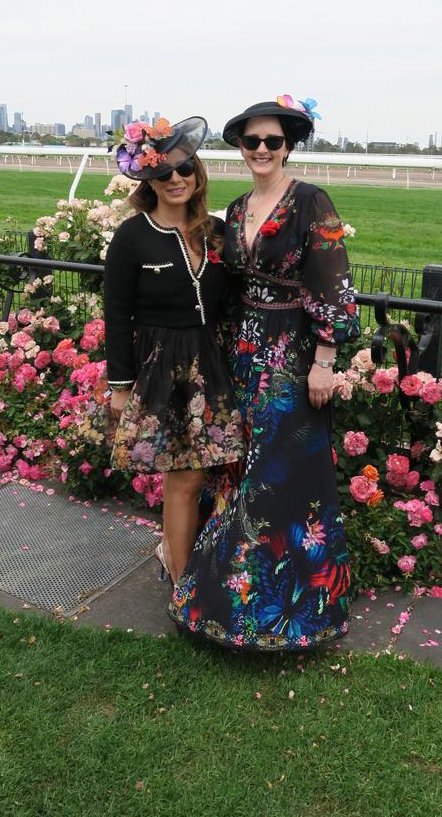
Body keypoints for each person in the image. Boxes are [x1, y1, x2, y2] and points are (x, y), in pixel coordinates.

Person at [168, 95, 360, 650]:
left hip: (294, 354)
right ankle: (235, 600)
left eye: (272, 141)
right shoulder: (235, 208)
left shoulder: (310, 202)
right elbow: (221, 284)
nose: (261, 150)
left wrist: (325, 361)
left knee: (280, 476)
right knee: (239, 466)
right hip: (244, 351)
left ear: (288, 145)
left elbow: (332, 281)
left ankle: (290, 610)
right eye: (251, 141)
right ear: (240, 147)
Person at [103, 114, 244, 584]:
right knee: (182, 478)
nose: (176, 179)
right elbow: (117, 316)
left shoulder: (218, 232)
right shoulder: (132, 237)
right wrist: (120, 388)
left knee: (201, 475)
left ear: (197, 173)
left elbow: (237, 299)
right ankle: (182, 584)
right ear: (149, 180)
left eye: (185, 169)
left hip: (213, 364)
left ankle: (175, 553)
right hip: (163, 369)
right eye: (164, 173)